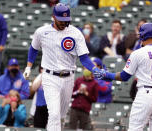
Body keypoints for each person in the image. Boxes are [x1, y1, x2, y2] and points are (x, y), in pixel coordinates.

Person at [22, 3, 102, 131]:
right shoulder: (42, 32)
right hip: (49, 76)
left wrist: (94, 69)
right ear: (53, 17)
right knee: (54, 114)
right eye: (61, 20)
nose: (64, 23)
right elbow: (33, 48)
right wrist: (28, 66)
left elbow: (84, 58)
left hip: (68, 77)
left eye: (66, 20)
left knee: (61, 116)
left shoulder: (75, 33)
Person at [98, 23, 152, 131]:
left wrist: (107, 75)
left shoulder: (138, 53)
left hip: (146, 95)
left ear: (143, 36)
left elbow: (124, 76)